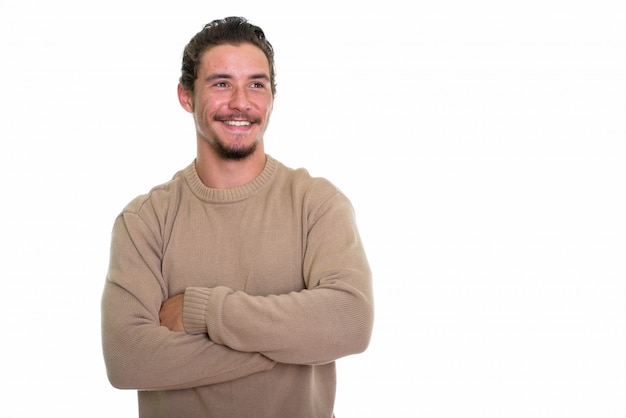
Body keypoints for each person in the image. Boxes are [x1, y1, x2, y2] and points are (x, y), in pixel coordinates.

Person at [101, 16, 374, 418]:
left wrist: (204, 310)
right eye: (222, 83)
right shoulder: (145, 221)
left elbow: (350, 322)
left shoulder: (317, 203)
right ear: (186, 96)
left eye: (256, 85)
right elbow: (127, 359)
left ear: (272, 98)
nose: (241, 103)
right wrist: (289, 345)